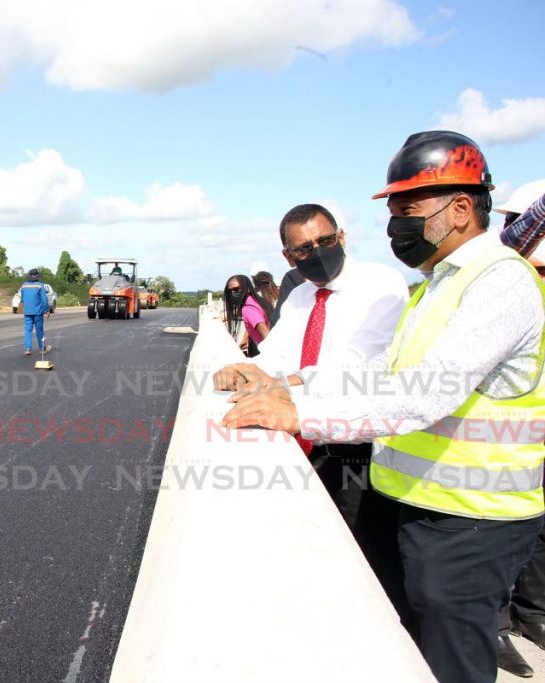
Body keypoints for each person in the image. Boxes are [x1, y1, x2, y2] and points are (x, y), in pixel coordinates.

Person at [223, 131, 545, 683]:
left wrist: (298, 413)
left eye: (407, 207)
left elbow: (422, 395)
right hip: (419, 503)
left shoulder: (499, 284)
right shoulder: (437, 286)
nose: (395, 222)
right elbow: (383, 375)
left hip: (471, 520)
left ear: (462, 207)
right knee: (403, 648)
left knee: (451, 662)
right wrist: (289, 389)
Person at [214, 204, 409, 612]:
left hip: (361, 448)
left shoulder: (381, 286)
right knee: (316, 556)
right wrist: (243, 370)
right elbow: (278, 355)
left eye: (324, 241)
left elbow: (362, 368)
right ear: (289, 257)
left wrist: (281, 382)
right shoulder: (302, 296)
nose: (317, 252)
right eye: (304, 248)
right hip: (310, 443)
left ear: (341, 237)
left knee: (369, 567)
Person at [495, 179, 545, 678]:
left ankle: (534, 617)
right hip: (503, 444)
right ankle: (499, 627)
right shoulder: (508, 280)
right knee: (506, 543)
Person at [223, 274, 272, 357]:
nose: (233, 293)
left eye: (236, 289)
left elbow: (268, 336)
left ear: (247, 288)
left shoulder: (248, 309)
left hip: (267, 353)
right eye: (229, 291)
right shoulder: (255, 301)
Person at [19, 268, 51, 356]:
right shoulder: (40, 285)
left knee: (28, 330)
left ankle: (28, 349)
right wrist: (47, 311)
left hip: (27, 312)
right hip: (38, 312)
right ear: (37, 276)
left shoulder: (24, 286)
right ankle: (42, 348)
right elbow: (44, 300)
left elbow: (22, 300)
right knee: (39, 330)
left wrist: (22, 311)